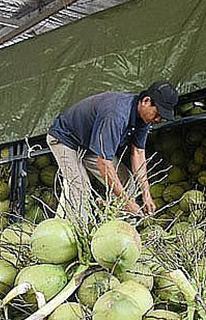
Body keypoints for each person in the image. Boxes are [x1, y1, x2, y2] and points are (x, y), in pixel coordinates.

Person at [46, 80, 179, 220]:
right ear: (146, 101)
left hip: (89, 144)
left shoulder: (143, 119)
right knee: (80, 192)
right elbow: (104, 164)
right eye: (158, 113)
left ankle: (119, 229)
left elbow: (138, 153)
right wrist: (126, 202)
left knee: (127, 183)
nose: (158, 119)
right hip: (65, 140)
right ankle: (76, 234)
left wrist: (146, 193)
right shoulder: (116, 115)